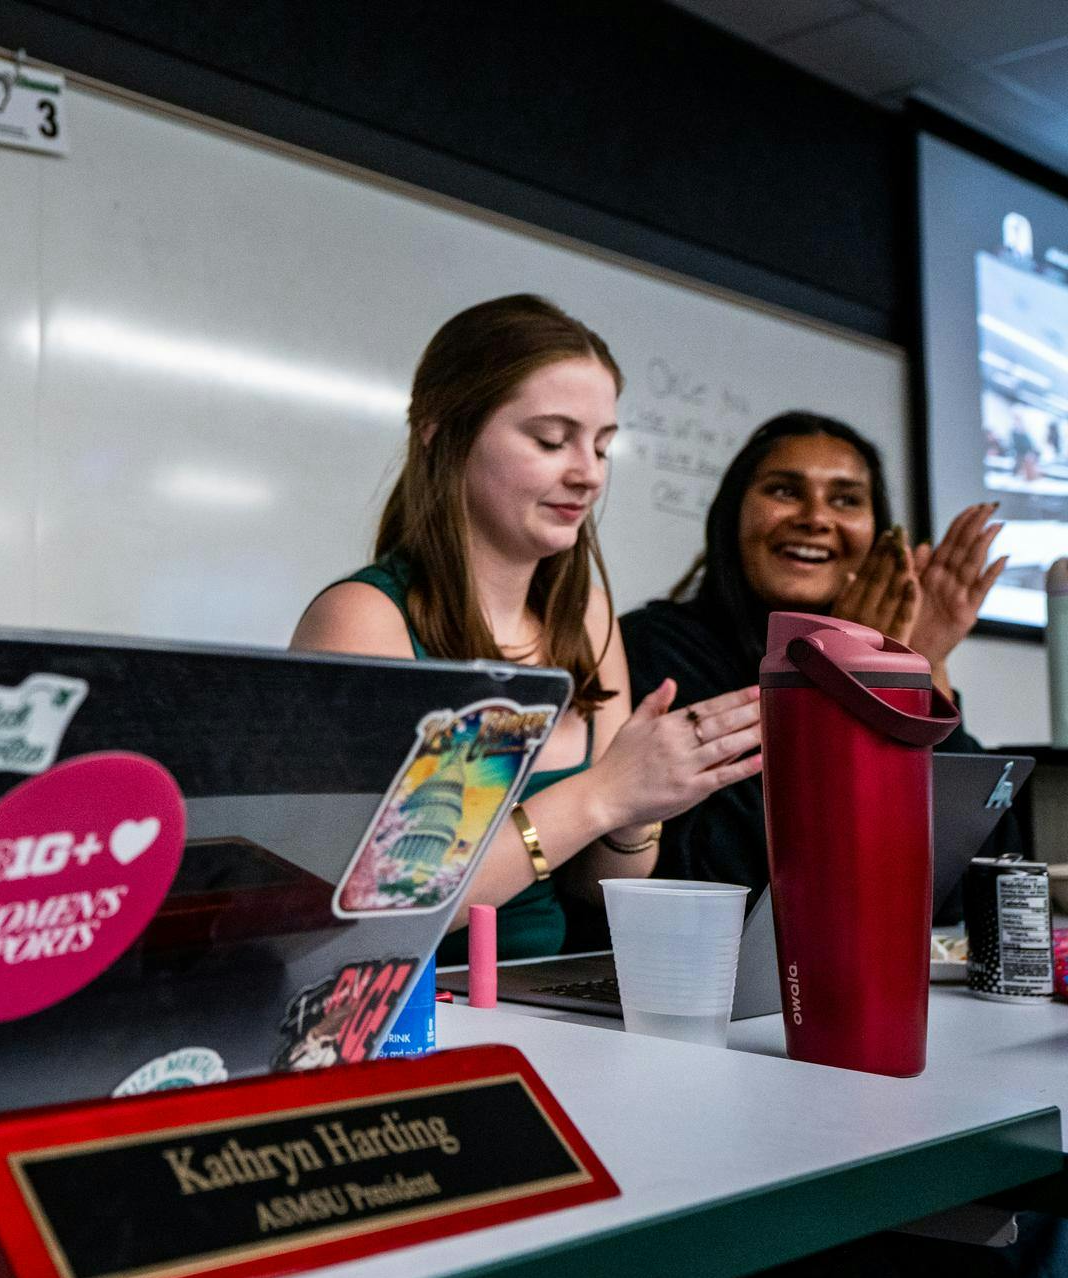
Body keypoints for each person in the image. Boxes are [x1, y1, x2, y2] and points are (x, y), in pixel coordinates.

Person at [291, 294, 761, 964]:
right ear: (440, 429)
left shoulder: (586, 614)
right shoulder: (365, 619)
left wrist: (643, 804)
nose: (588, 474)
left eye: (602, 446)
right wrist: (602, 793)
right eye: (550, 440)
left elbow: (603, 886)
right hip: (417, 1017)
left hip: (539, 1001)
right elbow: (380, 907)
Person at [620, 411, 1006, 903]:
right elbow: (733, 877)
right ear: (732, 515)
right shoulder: (655, 647)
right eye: (784, 491)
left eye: (846, 500)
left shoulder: (893, 647)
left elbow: (975, 876)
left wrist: (915, 673)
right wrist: (844, 683)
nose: (816, 518)